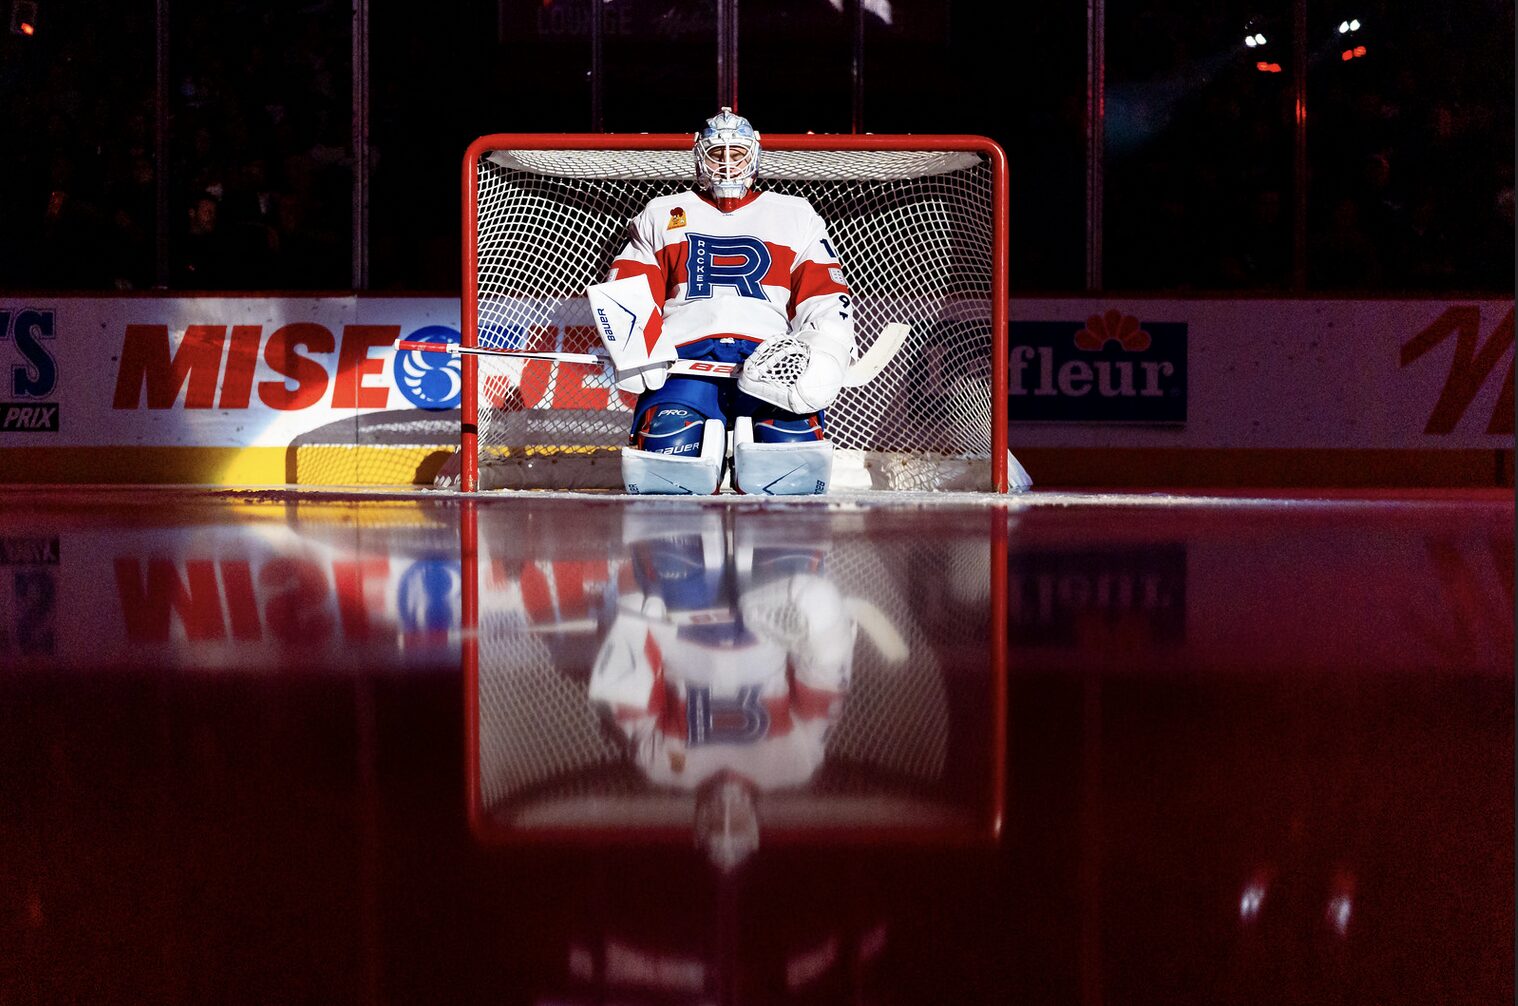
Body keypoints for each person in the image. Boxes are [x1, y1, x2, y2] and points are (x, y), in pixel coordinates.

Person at [602, 107, 856, 496]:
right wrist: (634, 343)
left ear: (752, 154)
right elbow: (630, 284)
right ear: (698, 155)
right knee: (670, 457)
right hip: (685, 361)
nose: (725, 164)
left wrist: (826, 348)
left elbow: (824, 292)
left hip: (771, 363)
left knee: (790, 462)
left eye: (735, 153)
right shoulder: (661, 212)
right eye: (716, 154)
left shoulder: (795, 213)